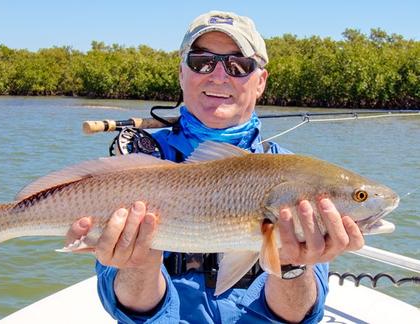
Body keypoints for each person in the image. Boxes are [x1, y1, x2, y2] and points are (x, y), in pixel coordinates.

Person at [66, 10, 365, 323]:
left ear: (261, 81)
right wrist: (138, 265)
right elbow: (130, 309)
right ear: (182, 73)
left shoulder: (297, 176)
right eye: (201, 61)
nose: (219, 76)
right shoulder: (137, 167)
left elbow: (296, 316)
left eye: (239, 65)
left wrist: (291, 266)